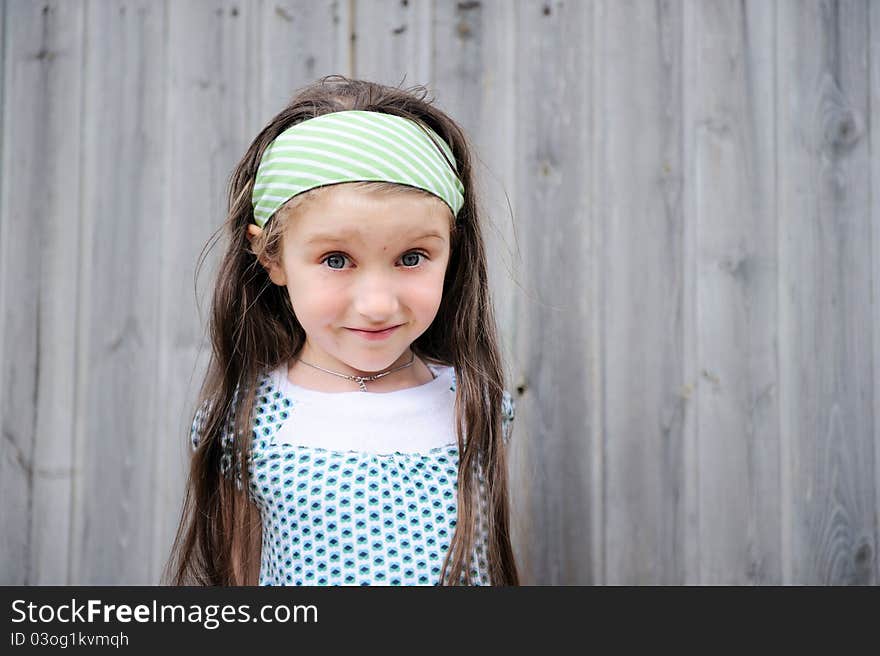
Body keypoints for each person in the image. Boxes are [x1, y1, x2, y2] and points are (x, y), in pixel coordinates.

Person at [163, 75, 518, 586]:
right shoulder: (247, 421)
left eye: (412, 257)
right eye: (336, 259)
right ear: (271, 255)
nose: (377, 304)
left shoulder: (475, 405)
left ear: (451, 247)